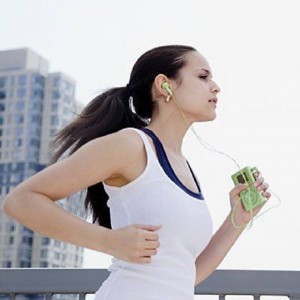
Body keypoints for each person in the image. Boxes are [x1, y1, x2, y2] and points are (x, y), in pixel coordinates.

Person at [3, 45, 271, 299]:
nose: (216, 86)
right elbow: (21, 200)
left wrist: (239, 218)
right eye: (202, 76)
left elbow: (185, 275)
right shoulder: (131, 145)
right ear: (163, 84)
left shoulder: (185, 168)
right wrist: (109, 241)